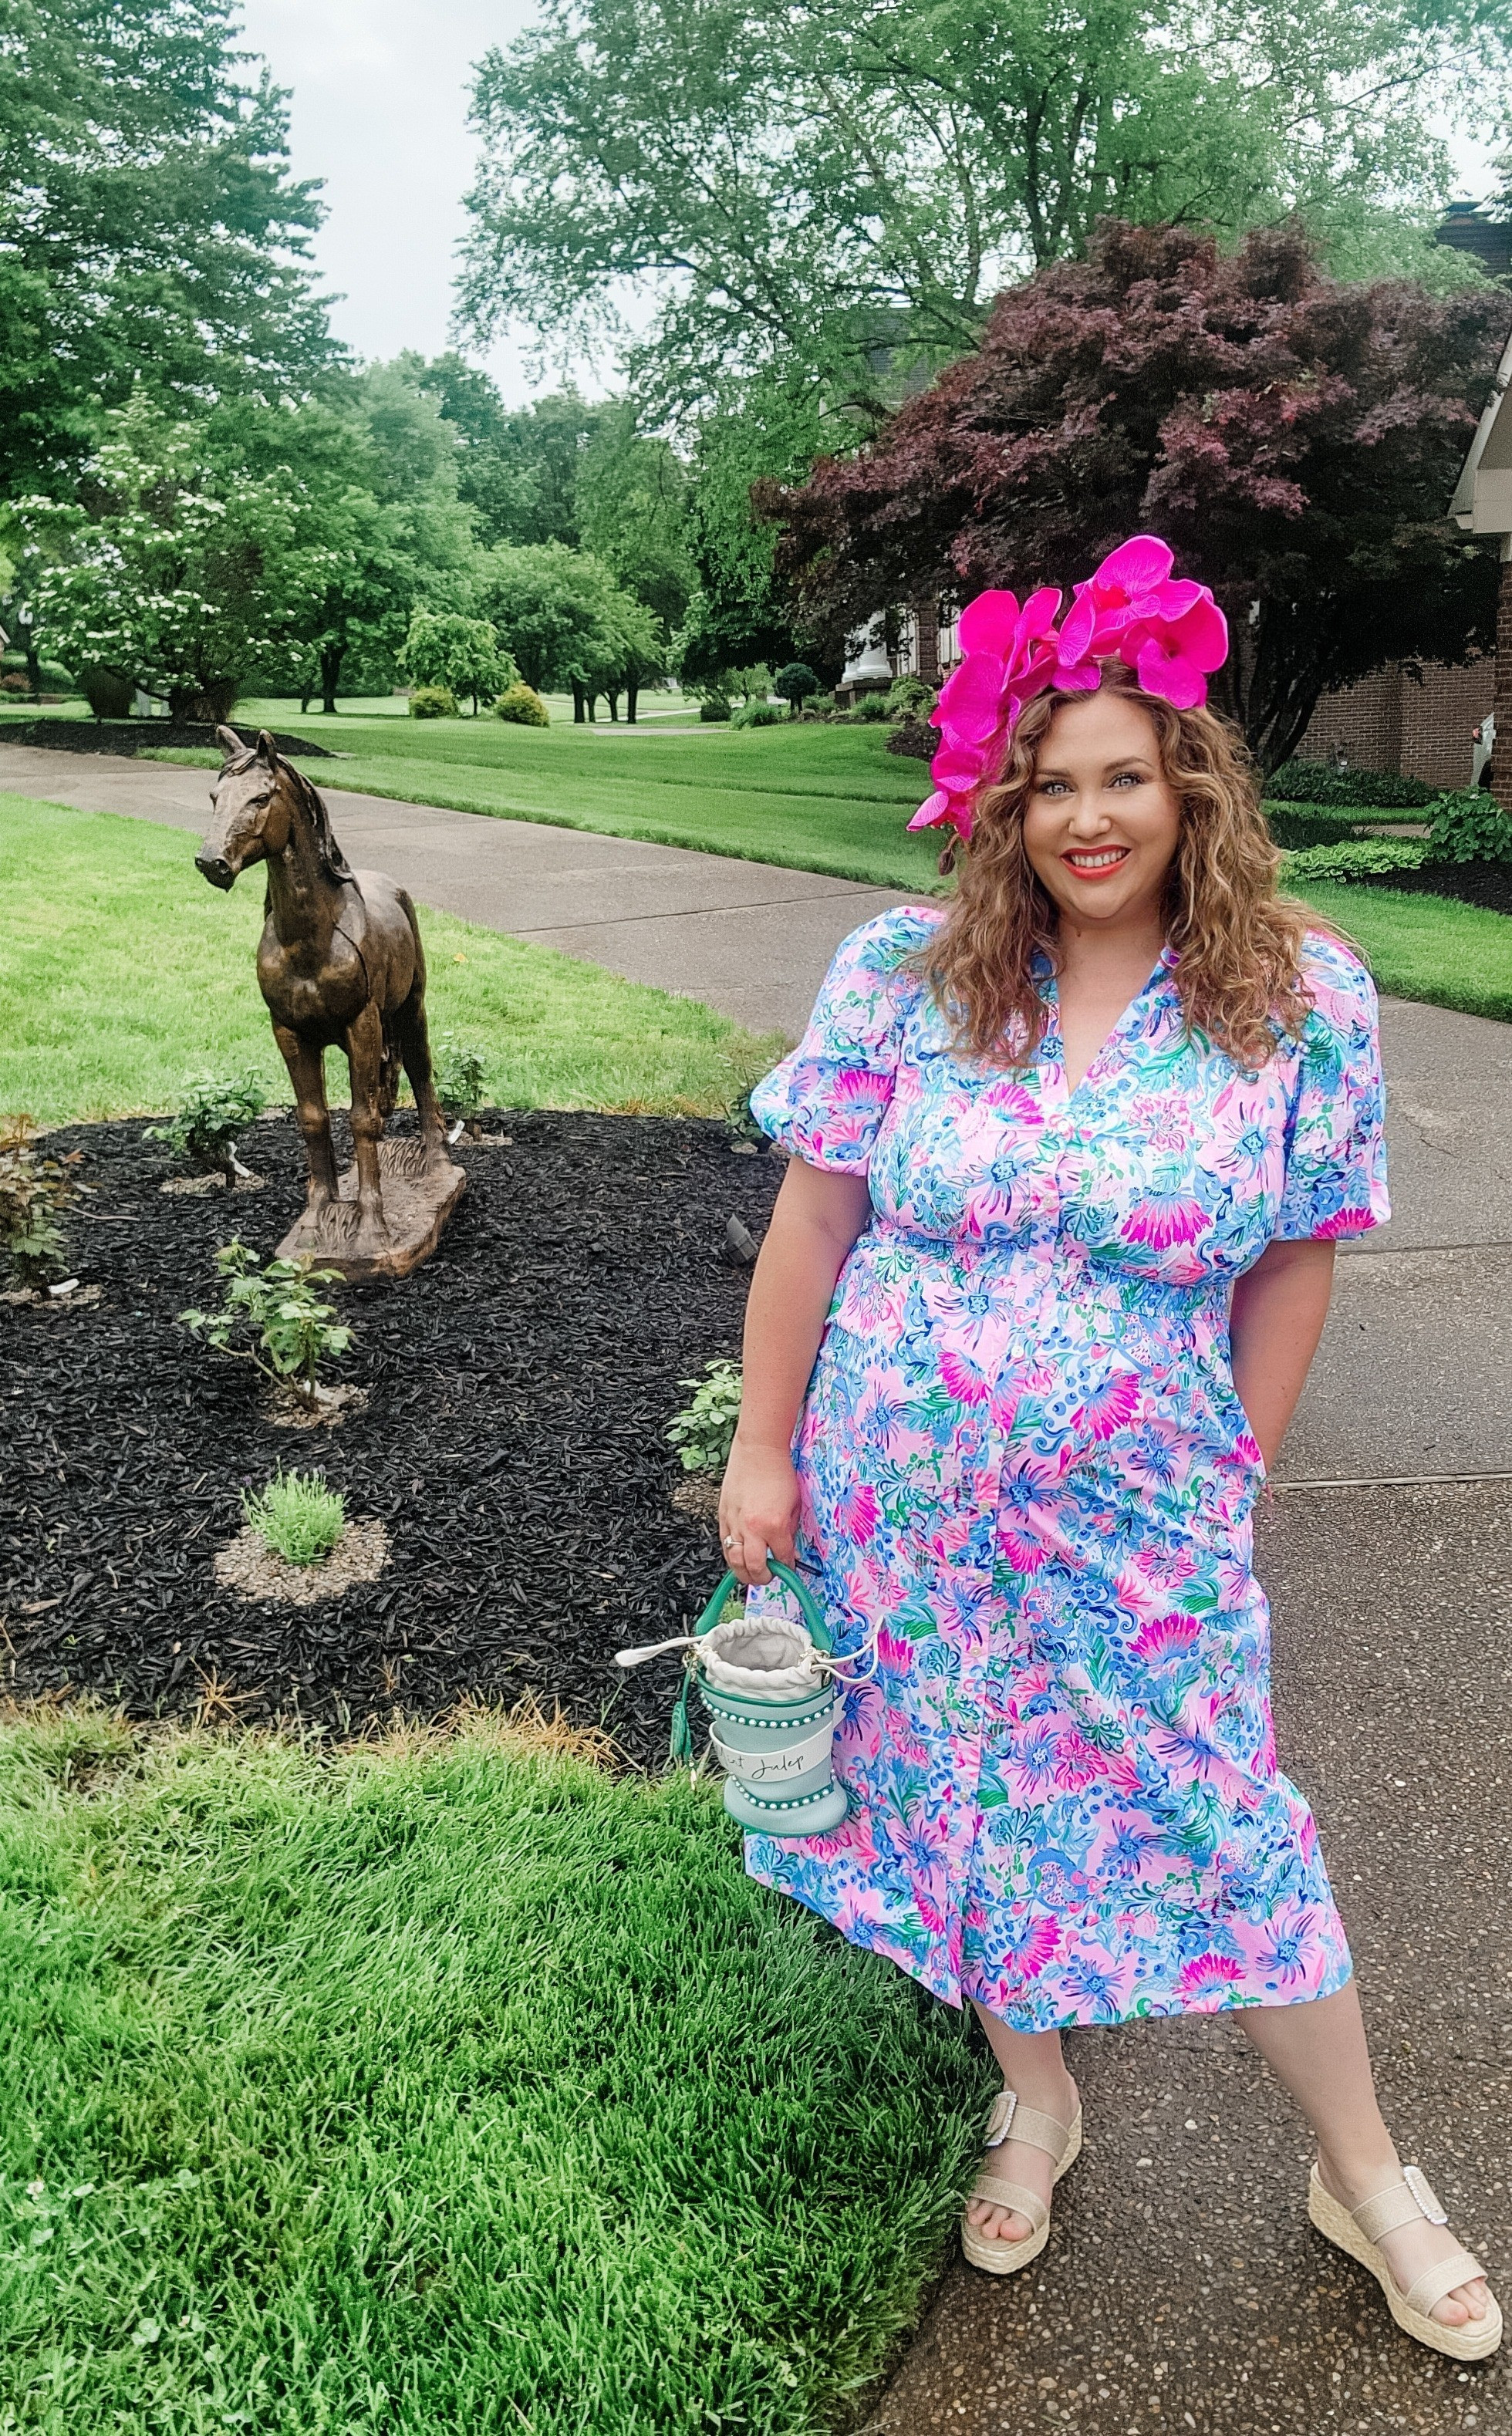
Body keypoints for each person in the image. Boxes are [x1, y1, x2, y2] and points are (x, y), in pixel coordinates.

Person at [717, 540, 1500, 2361]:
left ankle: (1362, 2174)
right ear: (1004, 802)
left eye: (1121, 777)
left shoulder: (1296, 992)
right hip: (898, 1495)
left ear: (1186, 786)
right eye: (1049, 781)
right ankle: (1039, 2097)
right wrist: (765, 1451)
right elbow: (810, 1230)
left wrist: (1238, 1463)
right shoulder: (902, 972)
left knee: (1222, 1814)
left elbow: (1297, 1243)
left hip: (1137, 1499)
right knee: (965, 1790)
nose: (1086, 817)